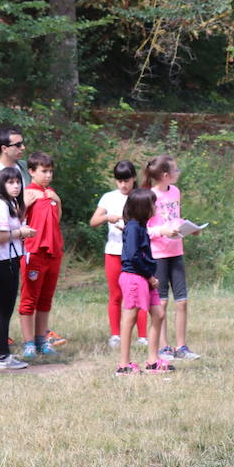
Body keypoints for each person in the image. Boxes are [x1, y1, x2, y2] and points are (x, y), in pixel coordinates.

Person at [144, 154, 200, 361]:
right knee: (163, 302)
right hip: (158, 254)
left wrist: (189, 228)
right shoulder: (149, 196)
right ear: (165, 175)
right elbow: (144, 230)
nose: (178, 173)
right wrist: (162, 232)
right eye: (176, 170)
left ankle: (182, 346)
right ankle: (163, 346)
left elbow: (175, 218)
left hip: (177, 251)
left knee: (182, 301)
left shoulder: (176, 192)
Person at [0, 168, 35, 369]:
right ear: (1, 185)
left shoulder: (9, 203)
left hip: (8, 259)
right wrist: (21, 231)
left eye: (18, 182)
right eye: (10, 183)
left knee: (0, 310)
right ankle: (3, 356)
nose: (16, 186)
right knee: (4, 310)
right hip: (2, 262)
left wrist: (20, 231)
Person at [90, 160, 148, 348]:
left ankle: (143, 335)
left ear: (134, 179)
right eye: (119, 181)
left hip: (137, 253)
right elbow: (93, 221)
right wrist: (107, 217)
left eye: (127, 181)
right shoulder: (109, 197)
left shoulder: (141, 197)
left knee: (140, 294)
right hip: (114, 252)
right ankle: (116, 334)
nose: (123, 185)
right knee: (116, 295)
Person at [114, 188, 170, 375]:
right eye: (153, 204)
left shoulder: (141, 226)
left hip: (146, 277)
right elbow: (134, 256)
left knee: (159, 313)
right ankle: (124, 365)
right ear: (143, 208)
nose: (155, 207)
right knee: (129, 318)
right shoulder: (133, 228)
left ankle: (153, 361)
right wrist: (150, 276)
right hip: (135, 277)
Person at [19, 151, 67, 358]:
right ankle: (28, 342)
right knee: (29, 299)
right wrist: (25, 205)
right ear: (31, 171)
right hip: (34, 251)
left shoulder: (51, 193)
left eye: (50, 171)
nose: (48, 175)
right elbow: (15, 220)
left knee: (46, 299)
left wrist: (57, 200)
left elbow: (56, 219)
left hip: (53, 252)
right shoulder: (27, 193)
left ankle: (41, 340)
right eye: (43, 171)